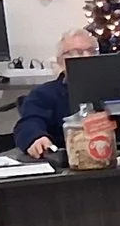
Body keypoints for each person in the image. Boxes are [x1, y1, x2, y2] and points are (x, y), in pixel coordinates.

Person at [11, 27, 98, 159]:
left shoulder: (114, 89)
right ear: (60, 60)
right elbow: (29, 123)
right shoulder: (44, 94)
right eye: (77, 52)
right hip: (67, 161)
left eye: (91, 51)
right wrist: (36, 138)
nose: (86, 57)